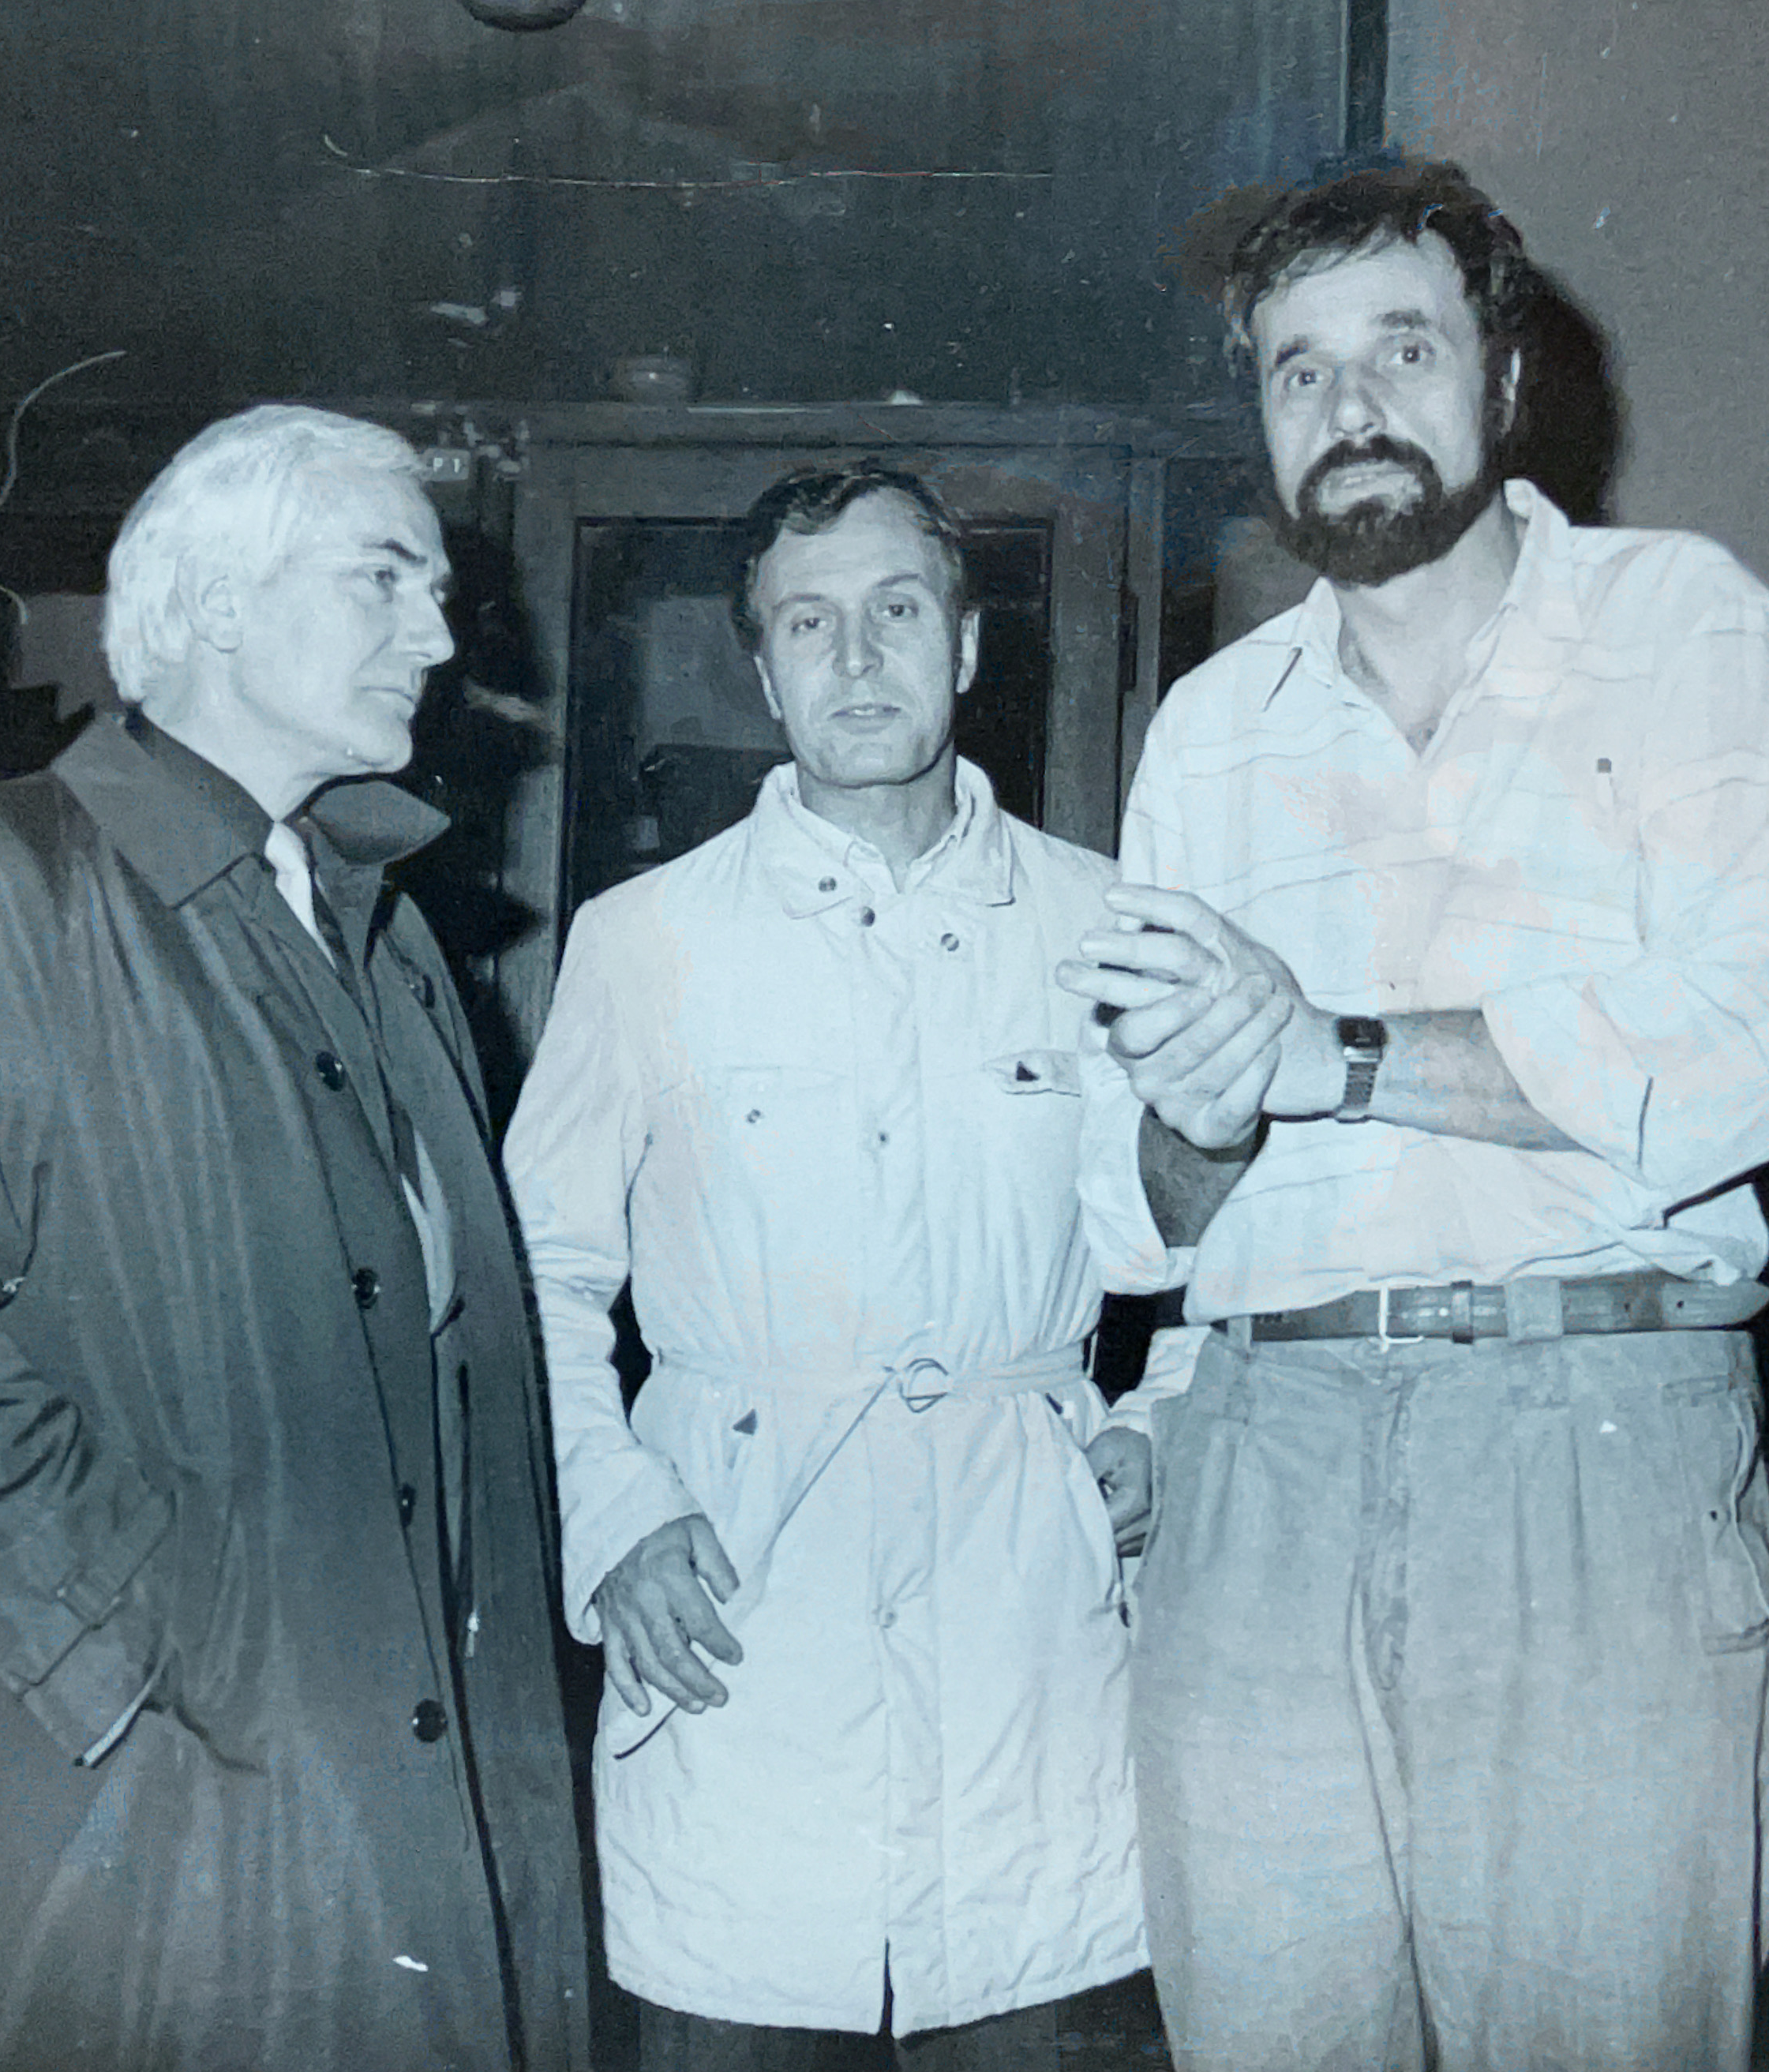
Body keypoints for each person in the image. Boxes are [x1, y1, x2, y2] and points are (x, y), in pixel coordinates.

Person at [1058, 163, 1769, 2071]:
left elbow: (1766, 1046)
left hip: (1587, 1436)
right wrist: (1199, 1118)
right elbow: (1134, 1207)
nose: (1348, 406)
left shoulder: (1680, 625)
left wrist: (1329, 1052)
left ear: (1500, 378)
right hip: (1259, 1463)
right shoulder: (1211, 729)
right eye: (1297, 369)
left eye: (1398, 349)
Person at [0, 405, 586, 2072]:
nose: (439, 641)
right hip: (149, 1800)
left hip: (384, 1781)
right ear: (219, 602)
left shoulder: (384, 933)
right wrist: (143, 1653)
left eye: (436, 596)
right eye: (384, 579)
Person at [504, 462, 1147, 2069]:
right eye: (809, 622)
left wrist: (1167, 1422)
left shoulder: (1103, 925)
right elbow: (537, 1270)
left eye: (897, 609)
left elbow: (1228, 1238)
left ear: (968, 643)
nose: (856, 658)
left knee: (1029, 2008)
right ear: (764, 667)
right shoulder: (644, 939)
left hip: (1026, 1633)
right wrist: (614, 1513)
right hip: (742, 1609)